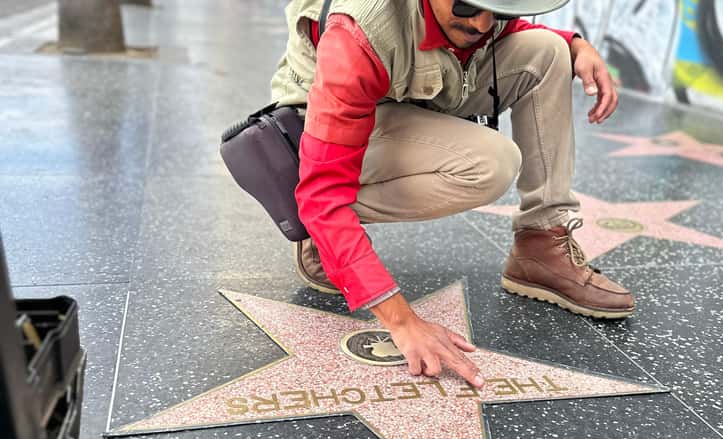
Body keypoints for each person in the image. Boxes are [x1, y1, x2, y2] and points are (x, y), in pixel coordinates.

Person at [269, 0, 634, 390]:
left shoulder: (477, 17)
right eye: (465, 5)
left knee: (548, 52)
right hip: (324, 127)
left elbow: (500, 32)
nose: (482, 22)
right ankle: (322, 237)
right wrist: (402, 321)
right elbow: (323, 193)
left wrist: (575, 44)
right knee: (489, 163)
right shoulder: (357, 34)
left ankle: (540, 244)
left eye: (497, 9)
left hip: (408, 89)